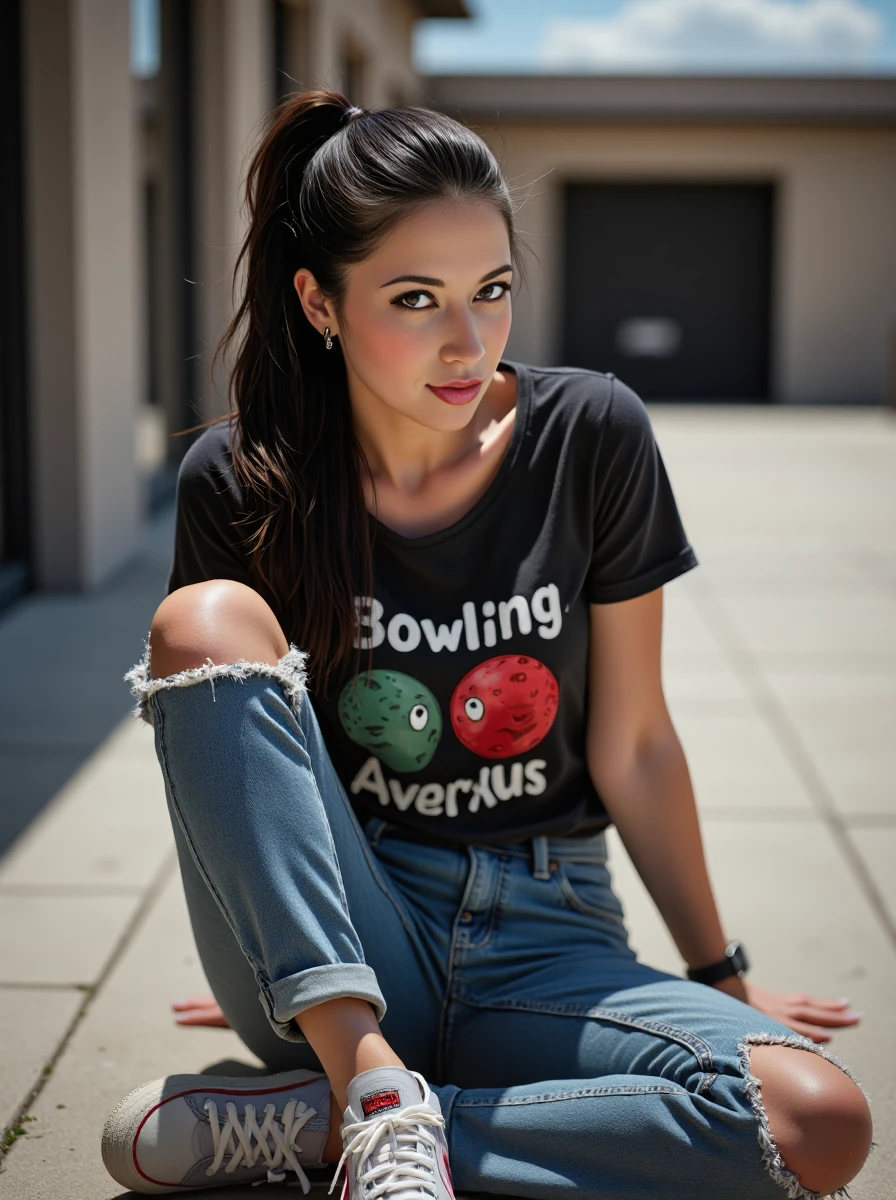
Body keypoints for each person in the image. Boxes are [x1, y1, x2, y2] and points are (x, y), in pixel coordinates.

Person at [102, 91, 874, 1200]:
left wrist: (720, 974)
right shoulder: (241, 482)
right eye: (414, 299)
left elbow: (636, 741)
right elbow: (246, 758)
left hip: (548, 925)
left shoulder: (590, 435)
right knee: (202, 621)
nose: (466, 342)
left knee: (814, 1119)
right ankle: (364, 1073)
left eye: (491, 290)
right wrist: (287, 945)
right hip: (353, 932)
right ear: (318, 302)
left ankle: (332, 1124)